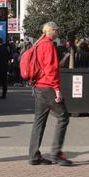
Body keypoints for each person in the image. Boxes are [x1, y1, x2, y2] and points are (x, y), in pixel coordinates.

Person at [28, 22, 72, 166]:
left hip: (38, 86)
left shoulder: (38, 44)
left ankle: (34, 155)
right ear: (52, 30)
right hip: (48, 87)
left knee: (39, 121)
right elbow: (51, 69)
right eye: (57, 30)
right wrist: (57, 89)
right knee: (63, 116)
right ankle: (56, 153)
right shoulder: (48, 46)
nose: (58, 32)